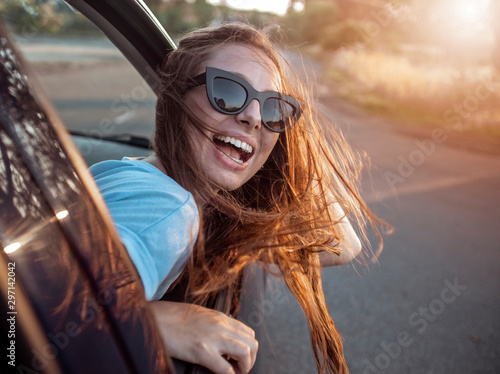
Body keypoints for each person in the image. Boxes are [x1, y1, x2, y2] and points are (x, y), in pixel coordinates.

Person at [90, 22, 383, 374]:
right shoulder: (168, 207)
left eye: (274, 109)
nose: (253, 117)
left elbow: (341, 243)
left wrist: (291, 142)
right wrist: (147, 321)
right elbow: (35, 306)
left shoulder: (126, 173)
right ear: (175, 96)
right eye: (227, 92)